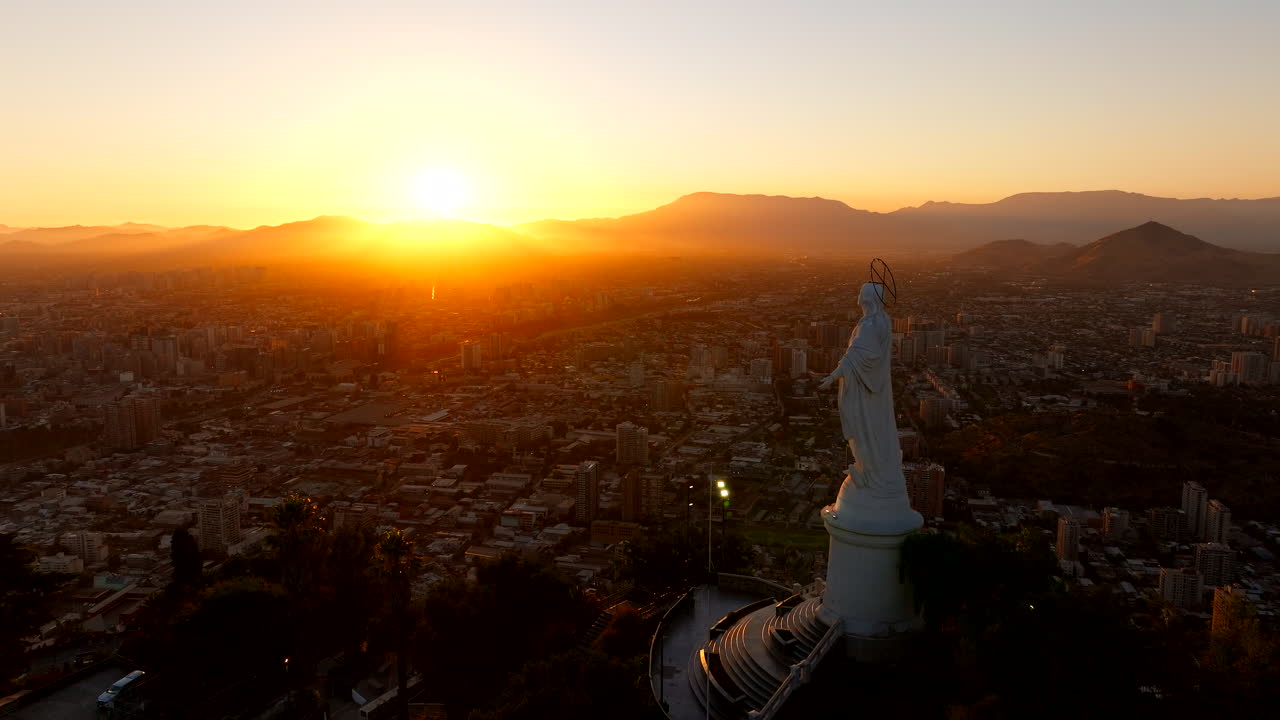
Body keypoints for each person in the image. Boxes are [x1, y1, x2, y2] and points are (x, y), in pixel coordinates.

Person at [818, 282, 904, 493]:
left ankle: (869, 473)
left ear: (866, 298)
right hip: (874, 389)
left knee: (863, 430)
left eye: (860, 292)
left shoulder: (869, 326)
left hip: (863, 392)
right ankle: (872, 471)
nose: (857, 296)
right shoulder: (882, 320)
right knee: (873, 431)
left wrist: (832, 377)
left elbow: (855, 357)